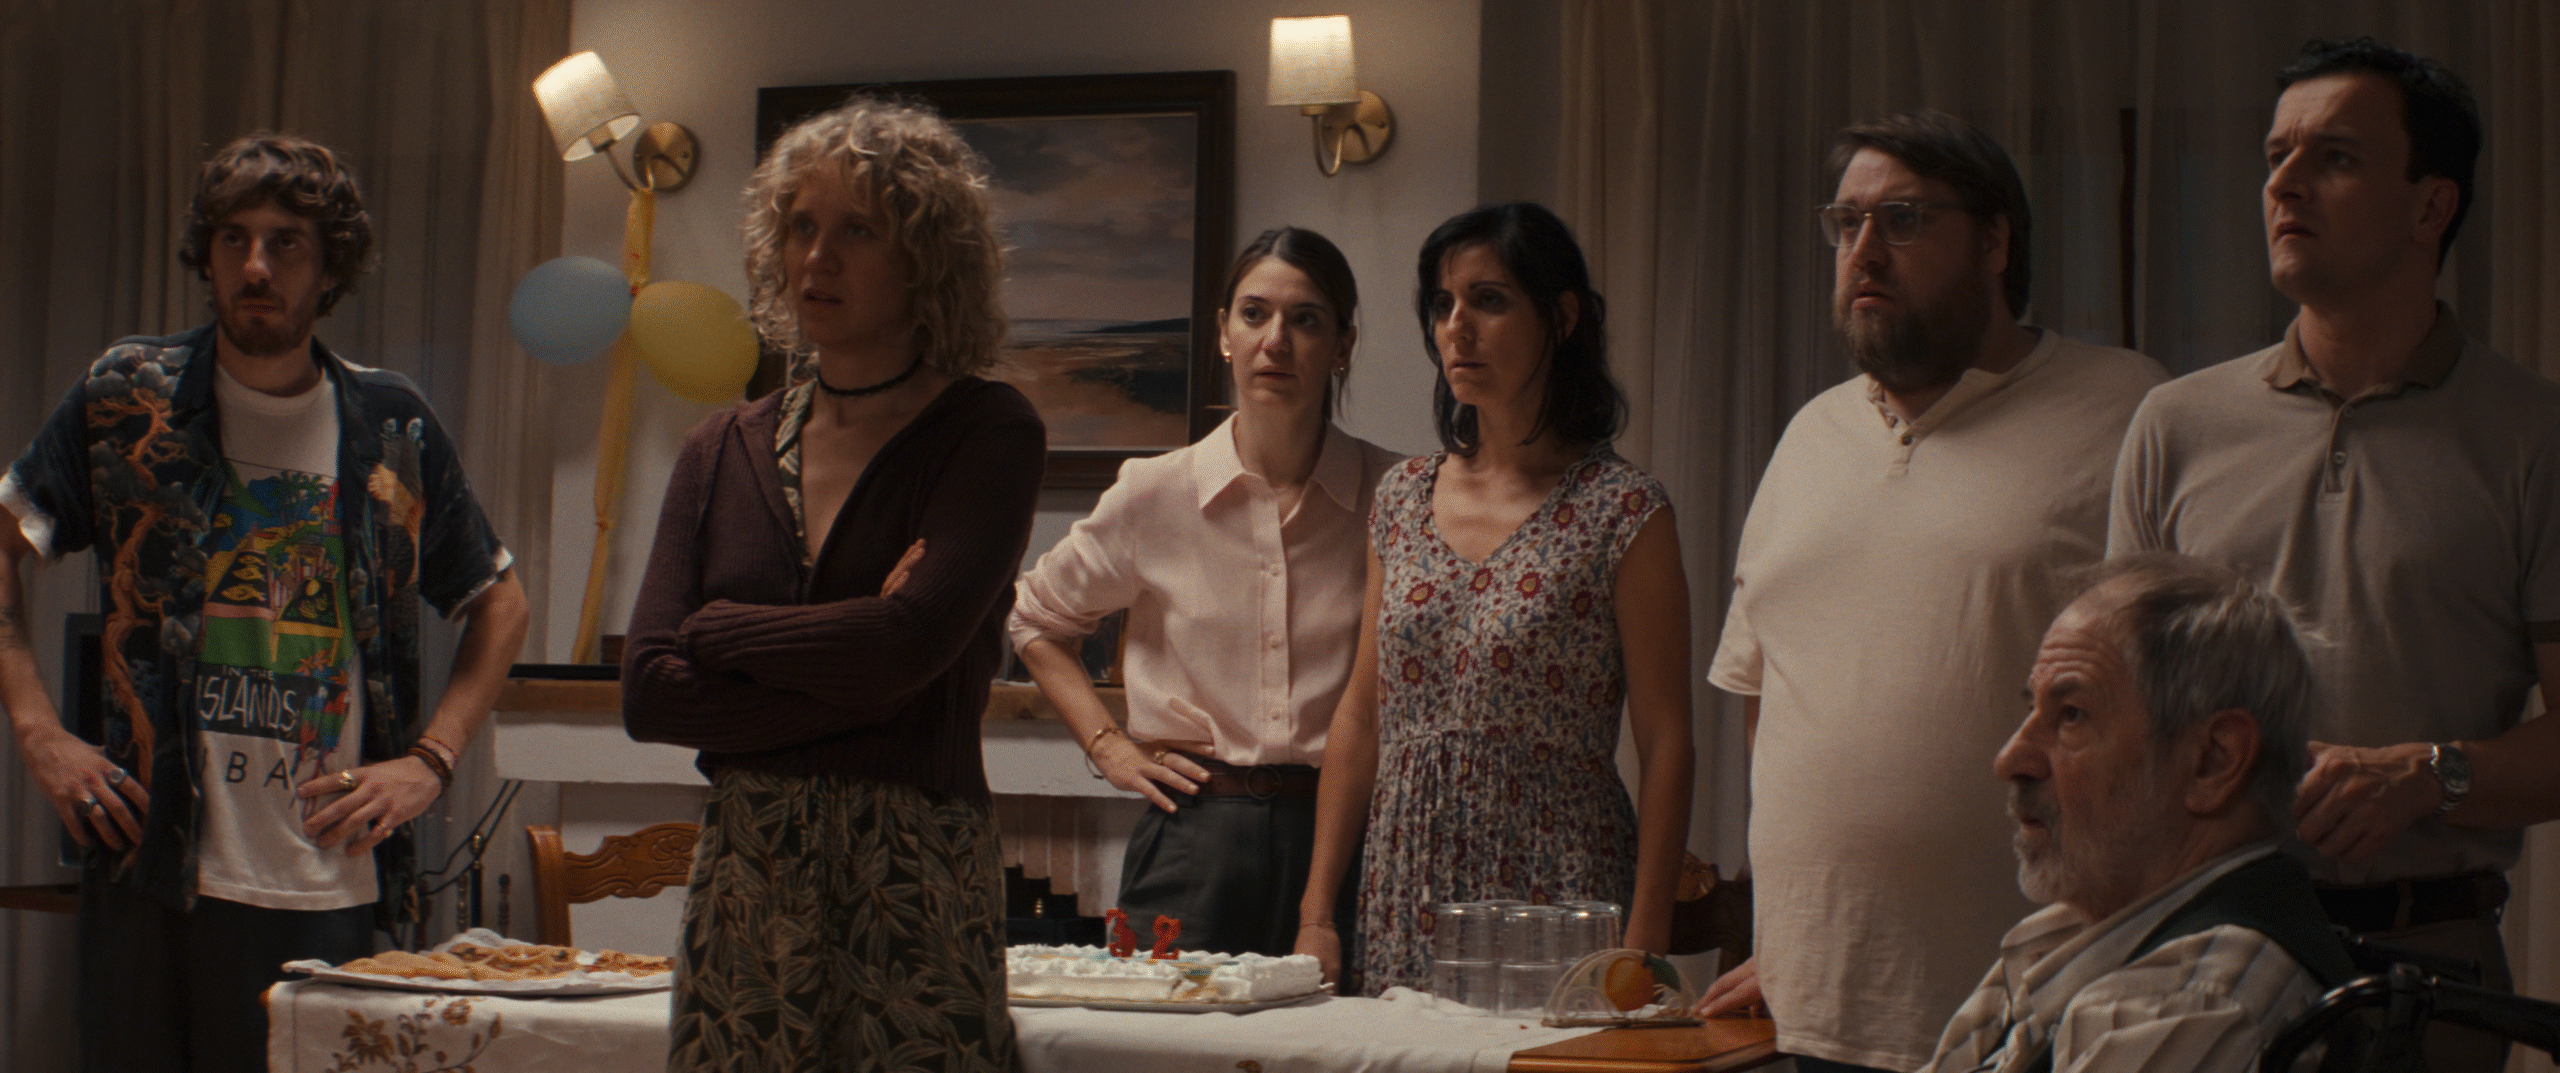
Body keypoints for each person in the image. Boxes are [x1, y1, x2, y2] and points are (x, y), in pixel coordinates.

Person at [0, 133, 527, 1073]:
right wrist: (40, 733)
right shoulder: (130, 395)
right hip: (149, 865)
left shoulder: (393, 425)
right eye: (234, 238)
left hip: (328, 879)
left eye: (286, 242)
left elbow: (500, 601)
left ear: (328, 270)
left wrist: (432, 762)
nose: (255, 265)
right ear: (206, 255)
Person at [2109, 38, 2560, 1069]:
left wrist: (2432, 773)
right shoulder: (2174, 425)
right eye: (2276, 155)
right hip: (2199, 950)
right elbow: (2118, 709)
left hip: (2431, 971)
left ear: (2430, 207)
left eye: (2336, 157)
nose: (2283, 182)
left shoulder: (2536, 436)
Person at [1697, 112, 2166, 1072]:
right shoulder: (1809, 436)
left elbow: (2180, 704)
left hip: (2033, 1009)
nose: (1864, 250)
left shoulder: (2128, 409)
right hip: (1815, 1008)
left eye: (1903, 220)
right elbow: (1767, 693)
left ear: (1994, 242)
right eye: (1846, 222)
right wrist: (1791, 938)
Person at [621, 96, 1043, 1072]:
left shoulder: (987, 431)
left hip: (915, 870)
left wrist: (721, 632)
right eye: (801, 226)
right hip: (747, 873)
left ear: (926, 256)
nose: (817, 257)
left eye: (857, 230)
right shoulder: (716, 449)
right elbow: (648, 692)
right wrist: (869, 667)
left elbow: (906, 646)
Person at [1294, 202, 1694, 994]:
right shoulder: (1403, 496)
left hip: (1560, 886)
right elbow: (1362, 713)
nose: (1457, 327)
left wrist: (1645, 943)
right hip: (1407, 886)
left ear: (1562, 318)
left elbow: (1668, 740)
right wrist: (1317, 913)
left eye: (1489, 300)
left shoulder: (1623, 509)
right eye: (1442, 304)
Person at [1009, 227, 1401, 957]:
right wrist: (1108, 744)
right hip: (1193, 835)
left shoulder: (1397, 496)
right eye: (1254, 314)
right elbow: (1033, 620)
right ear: (1224, 333)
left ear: (1342, 345)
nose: (1276, 340)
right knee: (1166, 1025)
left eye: (1305, 319)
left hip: (1347, 839)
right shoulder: (1154, 493)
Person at [1920, 554, 2356, 1073]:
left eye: (2072, 715)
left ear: (2213, 760)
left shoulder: (2200, 1000)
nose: (2011, 759)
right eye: (2033, 708)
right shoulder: (2065, 936)